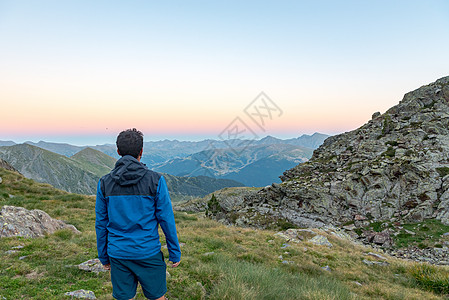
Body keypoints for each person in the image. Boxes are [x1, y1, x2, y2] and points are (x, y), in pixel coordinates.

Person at [95, 128, 181, 300]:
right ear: (141, 151)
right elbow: (166, 219)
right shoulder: (155, 180)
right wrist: (174, 252)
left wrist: (103, 256)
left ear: (118, 151)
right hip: (148, 252)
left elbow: (101, 223)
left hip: (118, 253)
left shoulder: (105, 183)